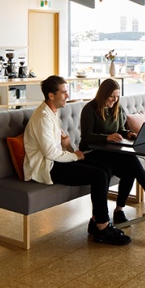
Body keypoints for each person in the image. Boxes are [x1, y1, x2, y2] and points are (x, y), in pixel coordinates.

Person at [23, 75, 131, 246]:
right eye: (64, 92)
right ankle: (103, 227)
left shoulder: (51, 112)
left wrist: (69, 148)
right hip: (47, 167)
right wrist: (75, 156)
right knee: (99, 176)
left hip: (57, 160)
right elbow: (50, 153)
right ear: (51, 95)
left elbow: (60, 144)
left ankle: (96, 221)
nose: (67, 95)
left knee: (106, 169)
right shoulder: (43, 117)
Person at [79, 78, 145, 225]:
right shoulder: (89, 109)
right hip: (92, 152)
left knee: (130, 169)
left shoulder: (117, 108)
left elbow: (121, 129)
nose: (114, 100)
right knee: (131, 160)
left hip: (110, 152)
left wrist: (129, 134)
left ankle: (119, 210)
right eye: (111, 96)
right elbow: (86, 137)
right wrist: (107, 138)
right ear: (103, 94)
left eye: (117, 96)